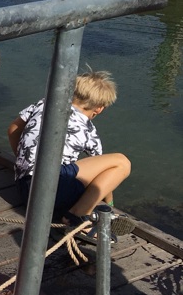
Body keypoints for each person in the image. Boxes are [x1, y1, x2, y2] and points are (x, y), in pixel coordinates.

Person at [8, 70, 130, 245]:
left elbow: (12, 129)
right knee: (121, 162)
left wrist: (23, 162)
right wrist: (109, 202)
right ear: (99, 108)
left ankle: (76, 209)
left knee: (68, 170)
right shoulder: (88, 129)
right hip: (51, 191)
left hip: (25, 189)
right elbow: (103, 170)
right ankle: (77, 218)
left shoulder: (45, 104)